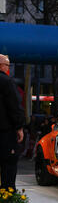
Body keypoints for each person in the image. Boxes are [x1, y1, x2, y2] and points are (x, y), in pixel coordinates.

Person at [0, 54, 25, 191]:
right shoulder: (7, 82)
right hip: (5, 132)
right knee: (8, 164)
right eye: (7, 65)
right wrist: (19, 127)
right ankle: (7, 197)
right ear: (1, 66)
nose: (8, 68)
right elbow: (14, 106)